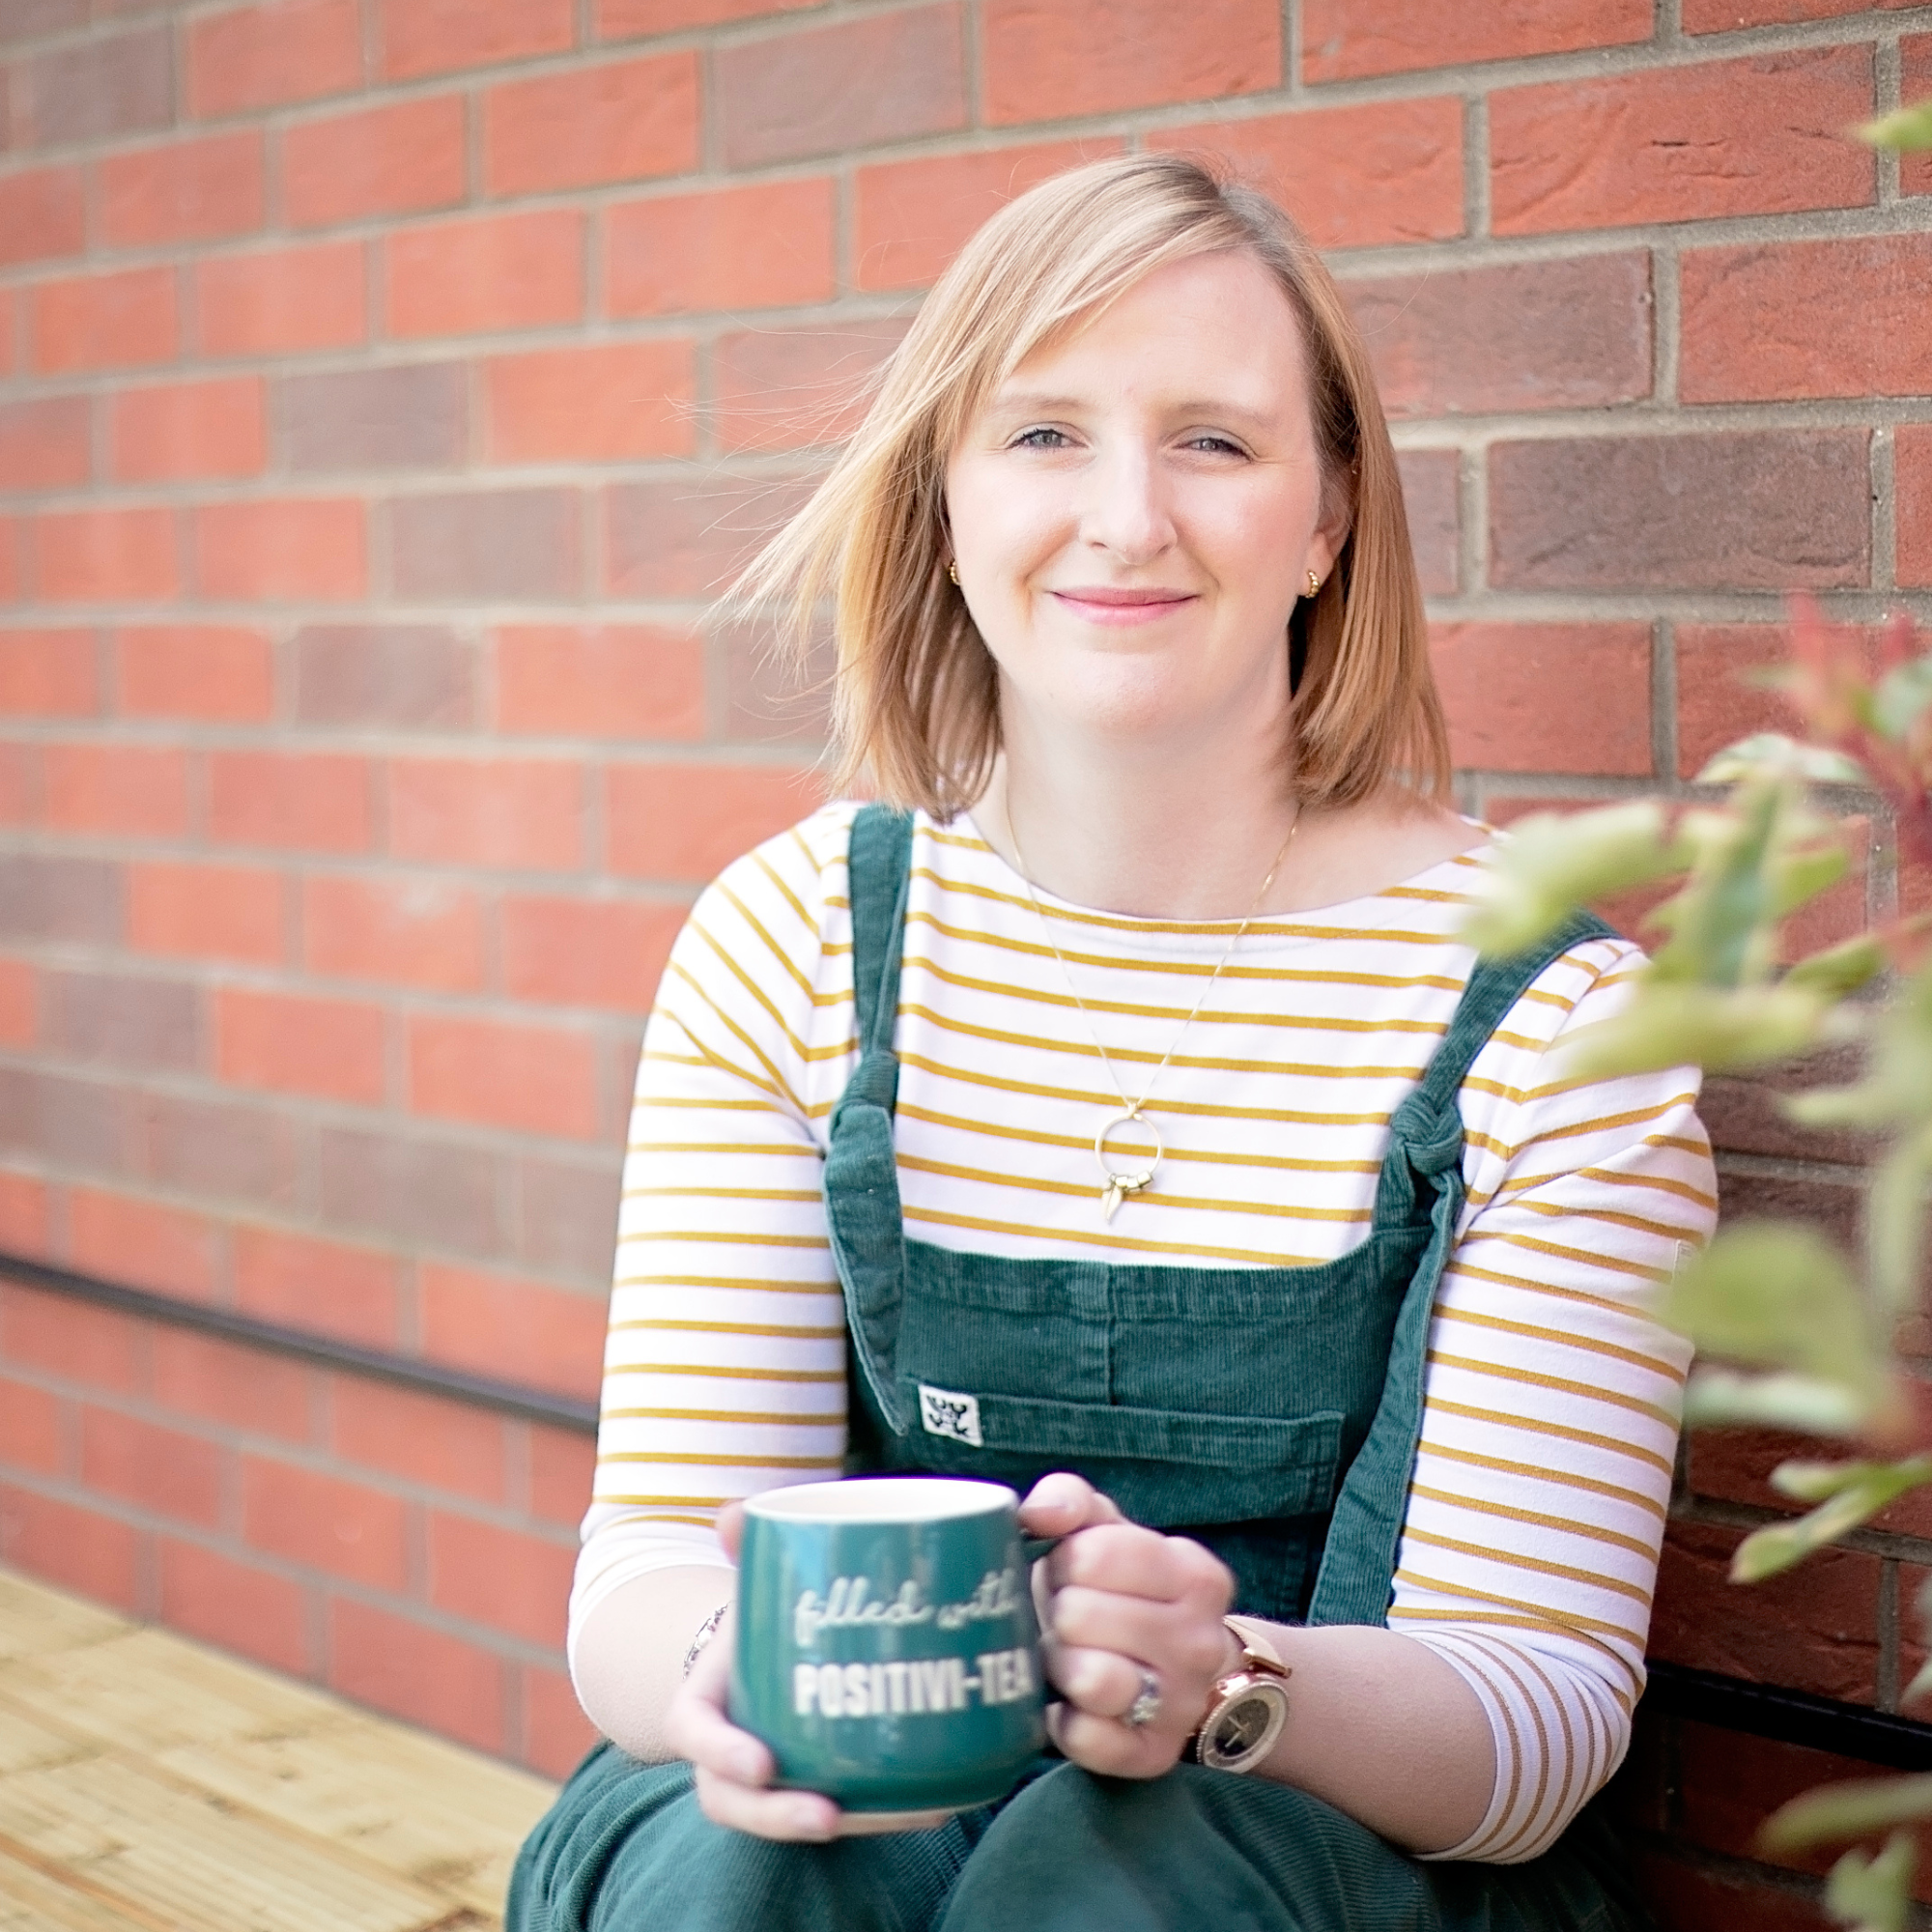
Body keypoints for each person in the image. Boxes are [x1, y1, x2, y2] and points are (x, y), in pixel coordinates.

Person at [509, 155, 1714, 1932]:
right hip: (866, 1824)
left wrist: (1224, 1677)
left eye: (1215, 441)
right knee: (741, 1868)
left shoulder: (1555, 1023)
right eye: (1046, 434)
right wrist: (715, 1672)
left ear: (1326, 523)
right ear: (942, 505)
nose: (1129, 516)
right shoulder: (789, 943)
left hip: (1319, 1840)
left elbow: (1531, 1726)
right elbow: (662, 1554)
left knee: (1095, 1888)